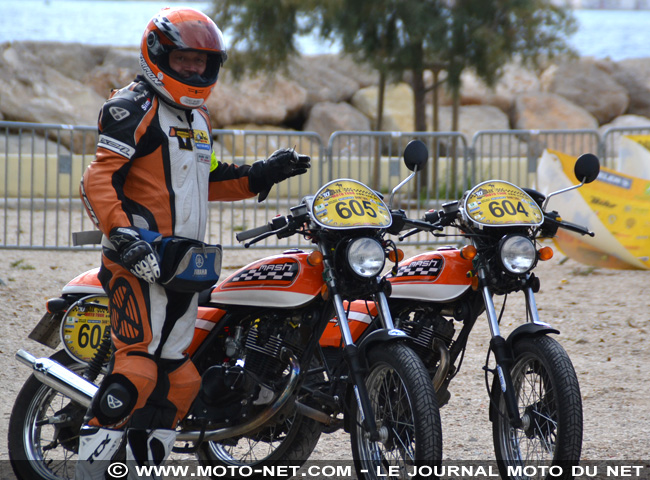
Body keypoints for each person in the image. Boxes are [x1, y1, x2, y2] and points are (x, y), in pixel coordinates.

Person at [75, 6, 310, 479]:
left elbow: (207, 178)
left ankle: (141, 469)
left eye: (202, 62)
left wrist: (261, 174)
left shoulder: (198, 118)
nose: (194, 69)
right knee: (138, 369)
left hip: (181, 264)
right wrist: (123, 237)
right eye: (184, 59)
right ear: (158, 55)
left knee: (179, 379)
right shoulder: (131, 107)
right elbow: (97, 180)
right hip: (135, 260)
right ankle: (88, 471)